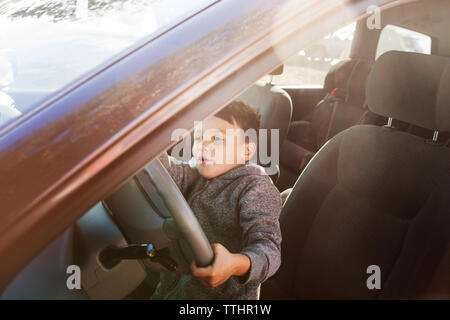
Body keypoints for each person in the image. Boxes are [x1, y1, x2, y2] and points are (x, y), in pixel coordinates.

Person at [151, 100, 282, 300]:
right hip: (171, 291)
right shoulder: (196, 172)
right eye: (199, 137)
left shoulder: (255, 188)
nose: (203, 146)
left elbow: (269, 250)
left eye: (217, 139)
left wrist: (236, 263)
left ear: (246, 150)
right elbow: (158, 167)